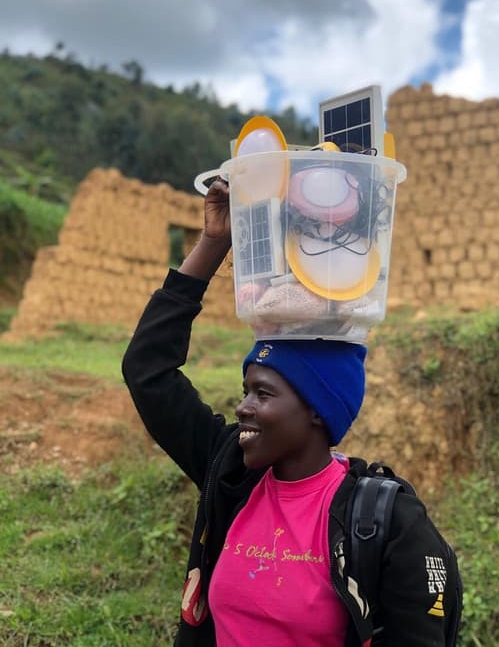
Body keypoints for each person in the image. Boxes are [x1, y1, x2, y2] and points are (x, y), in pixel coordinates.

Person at [122, 178, 460, 646]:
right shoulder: (230, 473)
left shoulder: (385, 523)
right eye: (245, 390)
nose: (242, 407)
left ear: (317, 411)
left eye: (263, 394)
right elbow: (147, 371)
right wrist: (214, 242)